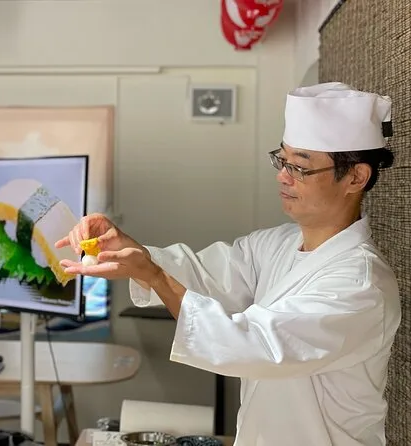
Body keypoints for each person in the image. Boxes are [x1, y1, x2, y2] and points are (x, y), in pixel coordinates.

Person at [56, 82, 401, 446]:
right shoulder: (277, 244)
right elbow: (205, 275)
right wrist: (128, 250)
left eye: (300, 167)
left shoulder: (361, 284)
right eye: (281, 160)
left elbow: (256, 345)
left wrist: (155, 276)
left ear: (355, 177)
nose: (282, 176)